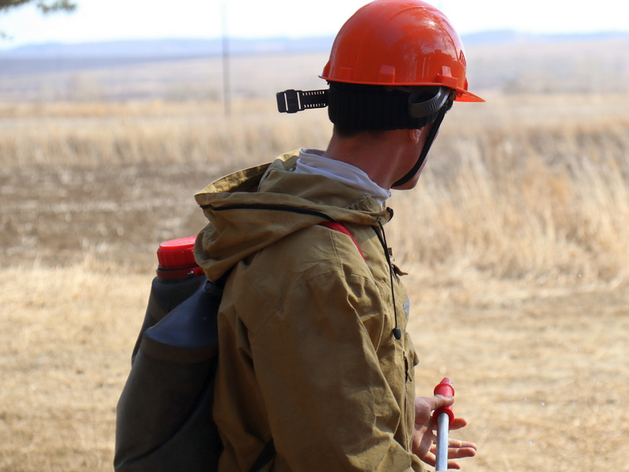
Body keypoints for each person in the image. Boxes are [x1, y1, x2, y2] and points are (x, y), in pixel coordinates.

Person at [193, 1, 484, 470]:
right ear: (424, 122)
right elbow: (343, 462)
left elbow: (317, 402)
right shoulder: (319, 264)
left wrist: (395, 420)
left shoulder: (329, 217)